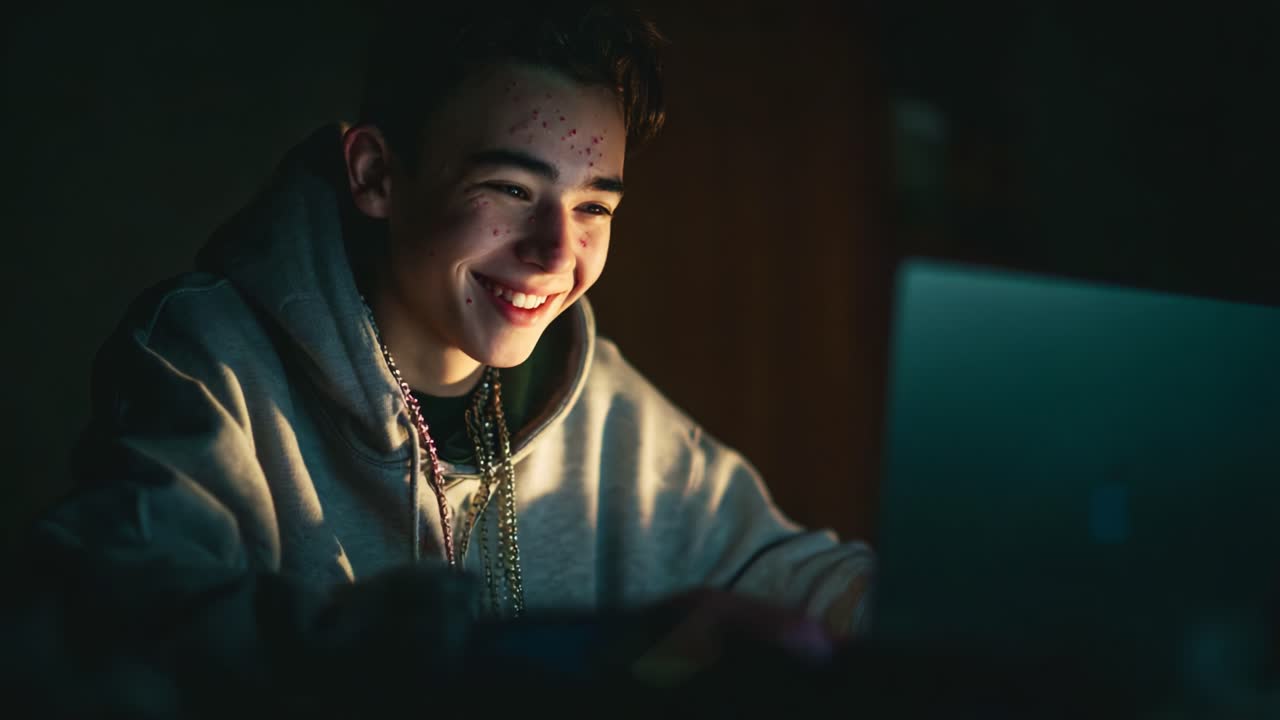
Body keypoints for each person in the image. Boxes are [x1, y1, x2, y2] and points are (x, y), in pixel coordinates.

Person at [5, 1, 874, 713]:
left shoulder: (599, 400)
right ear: (378, 174)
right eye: (509, 189)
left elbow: (787, 573)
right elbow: (108, 616)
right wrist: (442, 649)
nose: (554, 252)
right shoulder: (209, 359)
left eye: (594, 209)